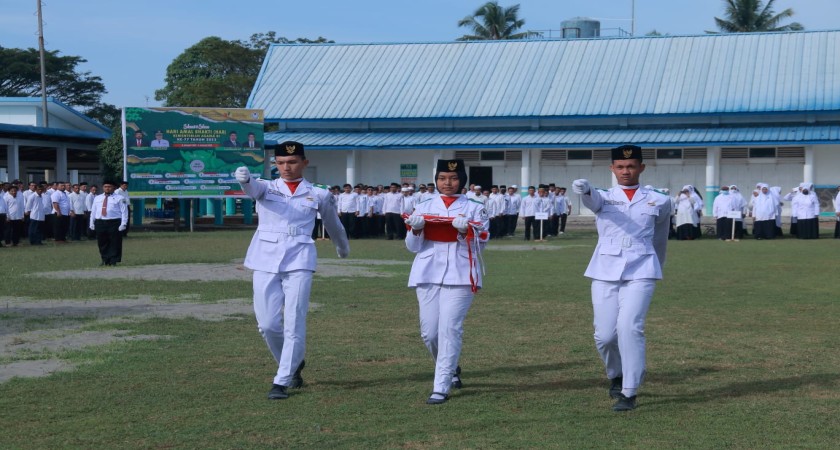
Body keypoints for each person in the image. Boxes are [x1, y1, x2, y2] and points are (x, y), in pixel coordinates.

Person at [234, 141, 350, 400]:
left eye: (293, 162)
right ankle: (293, 362)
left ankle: (282, 379)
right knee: (267, 324)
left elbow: (333, 223)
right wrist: (244, 180)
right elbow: (252, 189)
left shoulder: (317, 193)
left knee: (294, 320)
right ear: (275, 164)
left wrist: (342, 248)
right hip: (265, 258)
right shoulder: (267, 187)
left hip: (299, 259)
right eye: (281, 163)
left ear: (304, 163)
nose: (286, 167)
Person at [572, 144, 671, 412]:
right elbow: (592, 200)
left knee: (630, 327)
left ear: (641, 167)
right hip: (605, 270)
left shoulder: (659, 199)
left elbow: (661, 236)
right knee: (604, 335)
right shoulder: (603, 196)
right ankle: (615, 373)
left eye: (630, 166)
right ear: (612, 169)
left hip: (641, 270)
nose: (625, 171)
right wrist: (584, 189)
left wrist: (656, 266)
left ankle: (629, 390)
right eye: (620, 167)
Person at [403, 159, 489, 405]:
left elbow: (482, 242)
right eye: (442, 178)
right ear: (436, 180)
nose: (447, 183)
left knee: (450, 328)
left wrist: (464, 232)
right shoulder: (424, 205)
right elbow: (412, 248)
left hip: (461, 273)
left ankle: (441, 386)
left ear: (461, 180)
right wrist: (416, 230)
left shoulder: (475, 206)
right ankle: (450, 367)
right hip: (427, 272)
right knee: (429, 333)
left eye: (452, 178)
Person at [89, 180, 128, 265]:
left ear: (114, 188)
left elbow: (124, 212)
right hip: (100, 222)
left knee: (115, 242)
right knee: (102, 242)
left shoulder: (120, 198)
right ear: (103, 187)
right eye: (105, 187)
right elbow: (93, 211)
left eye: (109, 187)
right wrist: (91, 223)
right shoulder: (97, 198)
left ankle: (113, 260)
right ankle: (105, 259)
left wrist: (123, 223)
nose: (107, 188)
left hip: (114, 222)